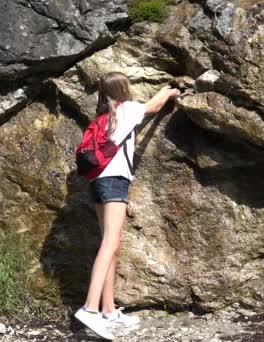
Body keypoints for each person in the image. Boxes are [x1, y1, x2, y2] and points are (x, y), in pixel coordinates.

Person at [74, 71, 180, 340]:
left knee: (110, 243)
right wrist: (169, 92)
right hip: (115, 181)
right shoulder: (128, 109)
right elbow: (153, 106)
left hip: (97, 182)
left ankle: (108, 310)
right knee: (111, 242)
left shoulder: (101, 118)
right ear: (123, 89)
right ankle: (90, 309)